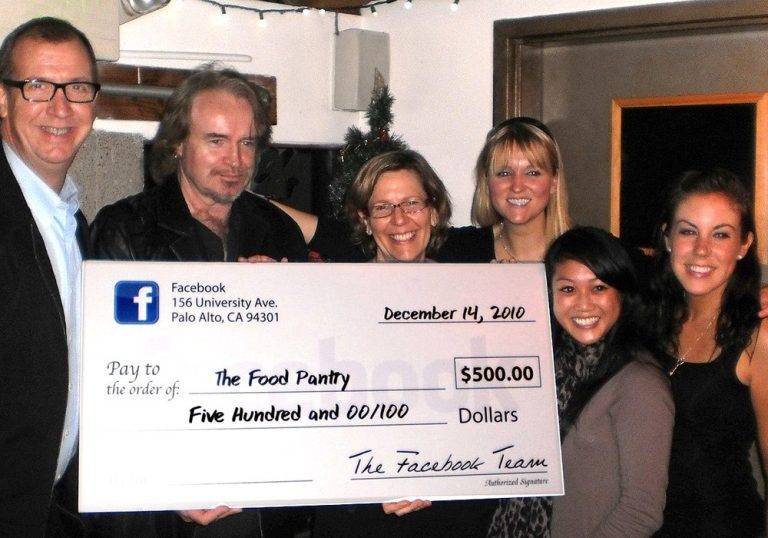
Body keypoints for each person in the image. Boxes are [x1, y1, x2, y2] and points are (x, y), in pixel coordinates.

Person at [89, 65, 308, 536]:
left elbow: (311, 363)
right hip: (166, 503)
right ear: (177, 143)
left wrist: (290, 309)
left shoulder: (277, 229)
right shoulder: (126, 229)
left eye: (247, 142)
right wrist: (170, 482)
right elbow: (112, 382)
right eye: (216, 140)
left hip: (263, 488)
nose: (235, 160)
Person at [312, 149, 497, 537]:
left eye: (412, 203)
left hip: (453, 505)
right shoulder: (330, 299)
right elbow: (314, 411)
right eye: (383, 207)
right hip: (361, 510)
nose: (400, 219)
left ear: (434, 210)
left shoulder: (477, 296)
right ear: (364, 221)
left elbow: (494, 404)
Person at [489, 227, 673, 537]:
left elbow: (641, 513)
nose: (583, 304)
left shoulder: (639, 384)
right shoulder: (545, 367)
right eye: (568, 289)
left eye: (599, 288)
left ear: (623, 293)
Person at [0, 17, 99, 536]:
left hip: (50, 511)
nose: (60, 108)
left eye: (77, 88)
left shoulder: (74, 221)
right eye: (37, 86)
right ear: (2, 99)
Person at [644, 169, 768, 537]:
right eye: (688, 231)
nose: (701, 250)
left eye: (721, 235)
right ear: (667, 237)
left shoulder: (758, 334)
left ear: (744, 245)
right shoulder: (644, 317)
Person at [277, 117, 571, 263]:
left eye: (532, 172)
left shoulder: (585, 254)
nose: (517, 185)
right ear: (487, 181)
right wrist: (240, 196)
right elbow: (340, 237)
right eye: (504, 173)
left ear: (554, 180)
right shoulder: (462, 250)